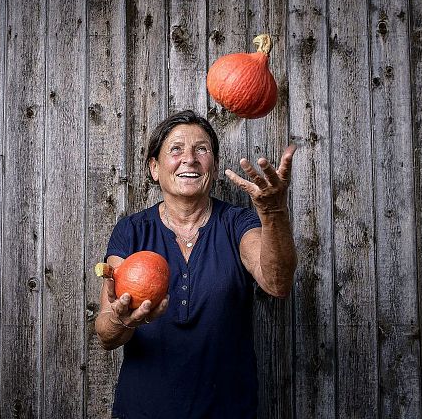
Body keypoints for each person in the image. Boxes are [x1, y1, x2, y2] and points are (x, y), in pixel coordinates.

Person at [94, 109, 297, 418]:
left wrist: (273, 213)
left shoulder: (237, 222)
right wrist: (125, 321)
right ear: (154, 168)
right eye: (175, 149)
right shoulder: (132, 231)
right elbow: (106, 334)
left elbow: (277, 283)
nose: (189, 158)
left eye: (201, 149)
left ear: (213, 168)